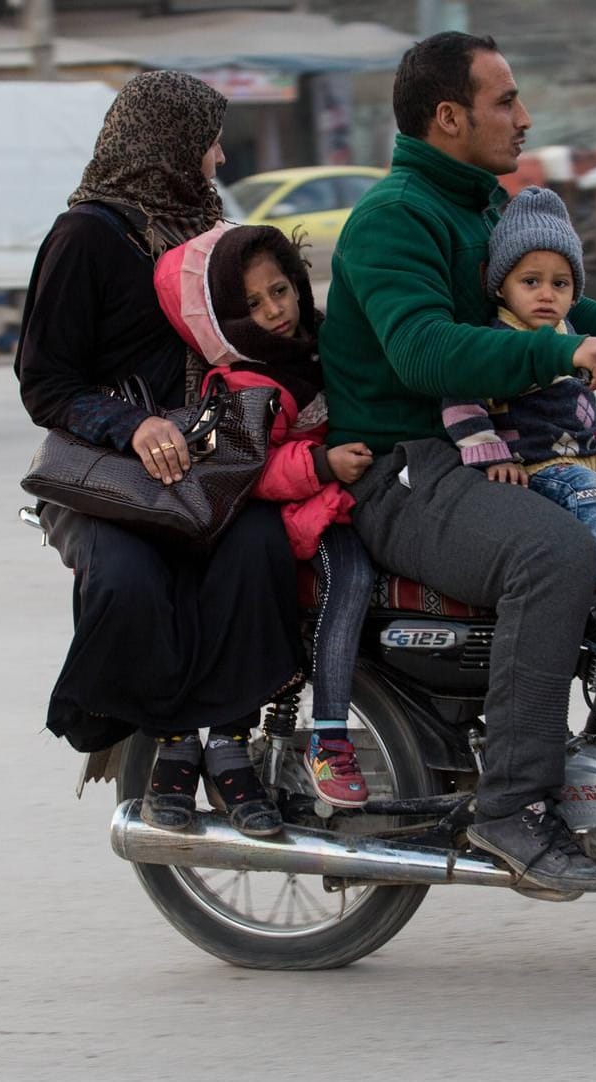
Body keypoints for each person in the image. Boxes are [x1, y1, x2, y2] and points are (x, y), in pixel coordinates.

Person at [320, 32, 596, 892]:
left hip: (491, 449)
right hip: (409, 466)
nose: (525, 119)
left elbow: (560, 306)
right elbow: (423, 352)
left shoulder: (480, 206)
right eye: (505, 102)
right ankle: (510, 809)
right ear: (448, 116)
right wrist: (562, 360)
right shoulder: (393, 218)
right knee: (551, 552)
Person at [16, 72, 301, 838]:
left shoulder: (209, 233)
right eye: (209, 142)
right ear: (166, 143)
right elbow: (45, 383)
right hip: (111, 477)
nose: (217, 159)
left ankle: (234, 743)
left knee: (261, 556)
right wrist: (132, 426)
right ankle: (172, 744)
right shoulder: (84, 237)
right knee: (135, 581)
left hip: (211, 472)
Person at [154, 223, 377, 808]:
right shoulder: (246, 381)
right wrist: (322, 465)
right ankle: (331, 736)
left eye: (281, 290)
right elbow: (250, 466)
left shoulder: (322, 342)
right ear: (230, 315)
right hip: (309, 515)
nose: (275, 310)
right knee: (349, 582)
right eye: (252, 304)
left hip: (344, 499)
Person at [443, 186, 596, 657]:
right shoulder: (494, 340)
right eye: (530, 282)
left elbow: (579, 409)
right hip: (533, 466)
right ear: (501, 285)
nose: (545, 295)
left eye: (560, 284)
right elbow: (459, 397)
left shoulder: (569, 335)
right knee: (590, 496)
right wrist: (491, 454)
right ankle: (590, 601)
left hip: (574, 465)